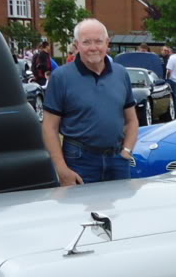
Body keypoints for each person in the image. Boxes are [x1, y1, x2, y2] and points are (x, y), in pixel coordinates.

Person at [42, 18, 138, 186]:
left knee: (119, 212)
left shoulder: (121, 74)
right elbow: (49, 127)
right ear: (77, 45)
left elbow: (131, 119)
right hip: (79, 160)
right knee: (81, 211)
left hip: (117, 160)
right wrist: (61, 169)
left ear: (107, 43)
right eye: (86, 42)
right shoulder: (61, 77)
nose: (93, 47)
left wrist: (126, 151)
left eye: (98, 42)